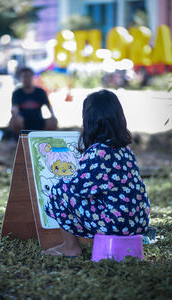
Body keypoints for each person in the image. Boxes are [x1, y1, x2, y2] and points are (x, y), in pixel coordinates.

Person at [42, 89, 150, 257]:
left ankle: (70, 247)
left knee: (60, 190)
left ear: (89, 121)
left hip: (116, 224)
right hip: (138, 221)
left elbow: (77, 189)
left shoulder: (97, 152)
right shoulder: (125, 150)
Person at [9, 67, 57, 135]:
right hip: (23, 122)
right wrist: (14, 115)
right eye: (24, 76)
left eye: (28, 76)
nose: (26, 79)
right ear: (20, 78)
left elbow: (48, 105)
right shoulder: (17, 93)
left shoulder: (40, 92)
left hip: (39, 121)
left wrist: (53, 116)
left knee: (53, 121)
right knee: (14, 121)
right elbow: (14, 108)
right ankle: (19, 139)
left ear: (32, 77)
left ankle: (47, 139)